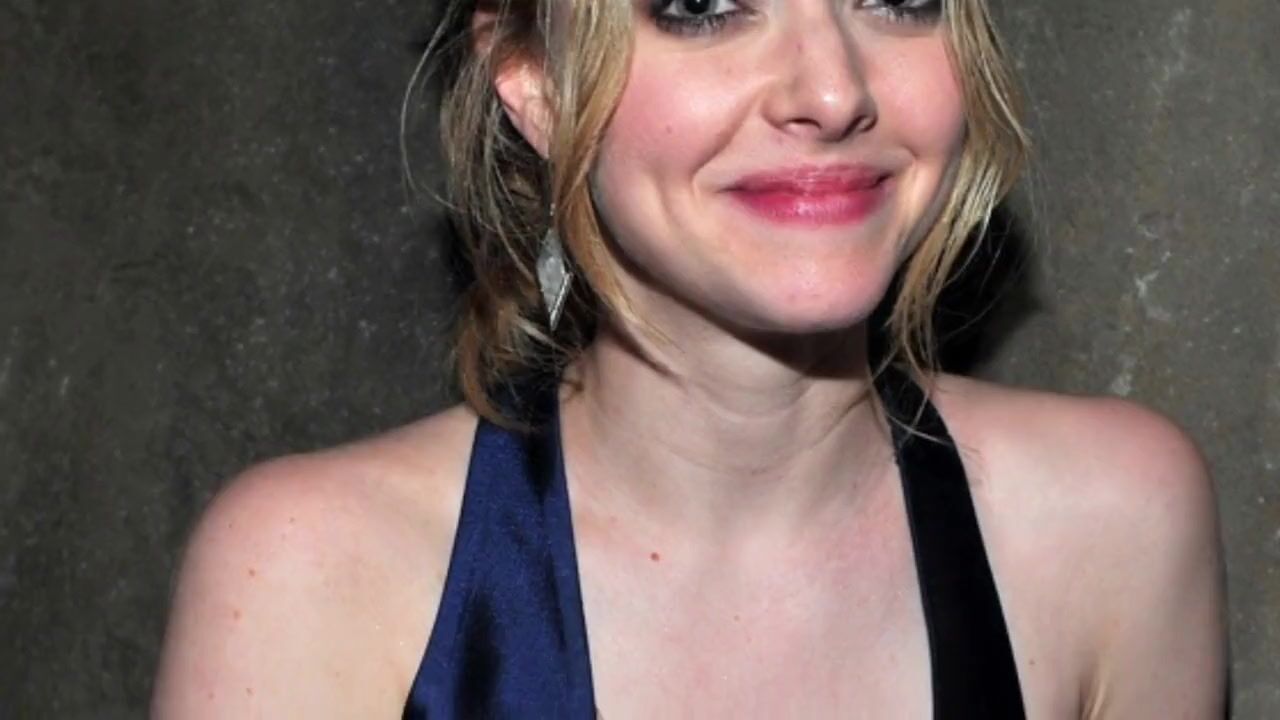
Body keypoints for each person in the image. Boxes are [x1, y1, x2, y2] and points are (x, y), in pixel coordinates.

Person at [151, 0, 1228, 717]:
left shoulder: (1115, 524)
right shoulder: (308, 575)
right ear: (533, 81)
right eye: (703, 3)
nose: (831, 90)